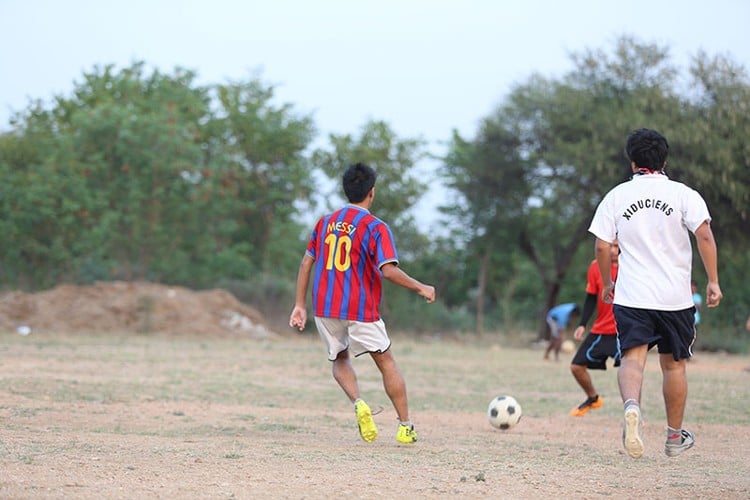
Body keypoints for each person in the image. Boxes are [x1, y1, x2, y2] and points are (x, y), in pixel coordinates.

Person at [589, 128, 722, 459]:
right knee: (674, 366)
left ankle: (632, 406)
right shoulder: (683, 194)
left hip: (632, 296)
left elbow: (602, 245)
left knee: (633, 359)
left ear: (632, 161)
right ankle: (674, 437)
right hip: (675, 298)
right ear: (664, 160)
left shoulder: (617, 196)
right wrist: (713, 281)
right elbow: (704, 236)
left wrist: (607, 282)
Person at [289, 162, 436, 445]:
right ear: (372, 192)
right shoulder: (375, 227)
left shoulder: (325, 222)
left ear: (346, 190)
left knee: (340, 359)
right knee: (386, 362)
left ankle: (358, 403)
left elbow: (307, 262)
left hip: (324, 306)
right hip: (360, 308)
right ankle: (405, 427)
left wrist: (299, 305)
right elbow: (388, 270)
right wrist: (421, 286)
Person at [569, 240, 621, 417]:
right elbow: (591, 297)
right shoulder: (595, 266)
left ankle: (634, 413)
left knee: (631, 372)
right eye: (610, 245)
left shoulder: (632, 264)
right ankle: (593, 399)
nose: (613, 250)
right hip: (600, 330)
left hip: (624, 330)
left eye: (616, 245)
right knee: (576, 366)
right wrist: (582, 323)